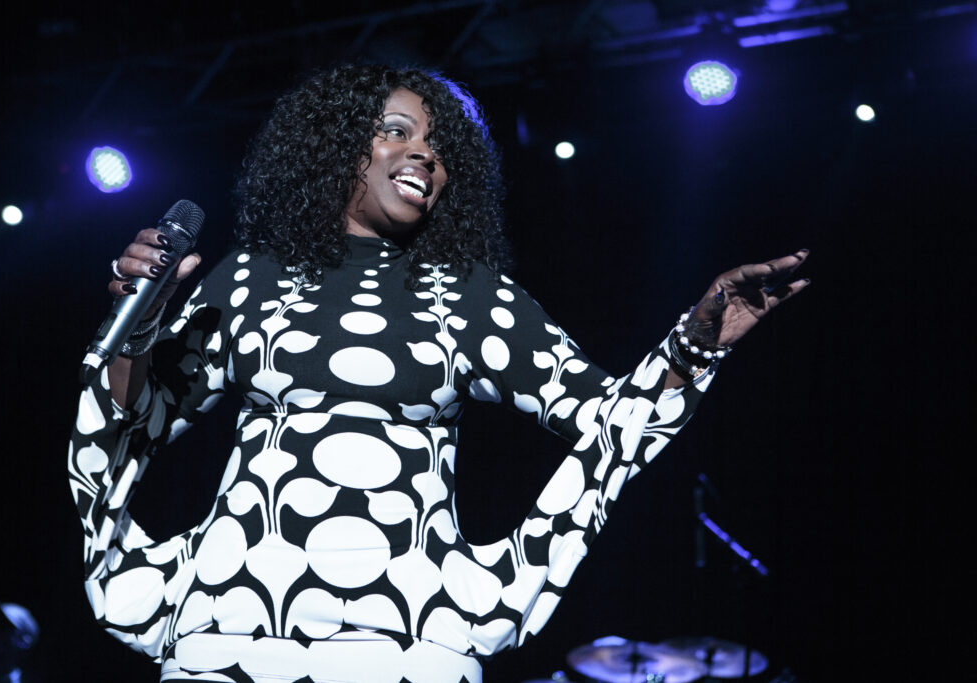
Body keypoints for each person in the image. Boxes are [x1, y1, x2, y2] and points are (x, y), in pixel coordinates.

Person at [68, 64, 809, 683]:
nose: (425, 154)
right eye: (397, 130)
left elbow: (610, 424)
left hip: (411, 644)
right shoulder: (253, 279)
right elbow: (136, 422)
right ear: (336, 147)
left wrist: (695, 344)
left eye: (440, 144)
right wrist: (136, 328)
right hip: (227, 634)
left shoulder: (469, 295)